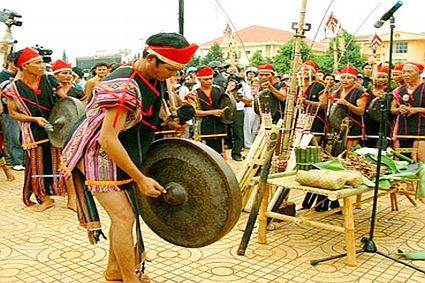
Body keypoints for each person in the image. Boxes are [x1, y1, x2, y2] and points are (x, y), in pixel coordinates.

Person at [61, 32, 197, 283]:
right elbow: (107, 139)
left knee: (126, 216)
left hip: (125, 147)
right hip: (95, 151)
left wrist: (170, 121)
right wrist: (141, 178)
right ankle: (128, 279)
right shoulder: (123, 86)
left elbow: (152, 111)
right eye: (169, 69)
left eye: (178, 71)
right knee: (124, 217)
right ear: (150, 58)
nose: (172, 75)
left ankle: (115, 271)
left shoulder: (155, 77)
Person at [3, 47, 69, 211]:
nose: (42, 65)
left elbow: (67, 102)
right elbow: (13, 113)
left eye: (42, 62)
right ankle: (44, 197)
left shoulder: (49, 80)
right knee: (38, 165)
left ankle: (71, 198)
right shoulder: (13, 88)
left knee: (61, 163)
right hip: (33, 131)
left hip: (56, 128)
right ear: (24, 66)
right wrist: (34, 119)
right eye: (37, 62)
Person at [391, 62, 425, 162]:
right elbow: (392, 110)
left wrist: (416, 110)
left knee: (420, 160)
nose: (405, 74)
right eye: (404, 72)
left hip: (421, 129)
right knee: (399, 160)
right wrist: (399, 109)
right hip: (402, 129)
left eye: (409, 72)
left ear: (419, 73)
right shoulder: (399, 90)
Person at [332, 66, 369, 150]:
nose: (345, 80)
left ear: (355, 80)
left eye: (349, 78)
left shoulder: (360, 93)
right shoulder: (336, 93)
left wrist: (347, 103)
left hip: (353, 126)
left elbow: (361, 111)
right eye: (343, 77)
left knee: (350, 153)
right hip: (338, 127)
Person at [0, 52, 26, 171]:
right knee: (13, 136)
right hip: (8, 111)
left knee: (24, 136)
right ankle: (16, 161)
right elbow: (6, 94)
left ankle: (25, 160)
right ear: (11, 62)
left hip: (24, 112)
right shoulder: (2, 76)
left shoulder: (26, 76)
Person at [192, 66, 226, 155]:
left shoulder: (220, 91)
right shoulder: (193, 94)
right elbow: (193, 112)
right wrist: (212, 112)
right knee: (204, 154)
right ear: (199, 80)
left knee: (219, 154)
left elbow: (227, 105)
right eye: (206, 79)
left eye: (211, 79)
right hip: (203, 126)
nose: (209, 81)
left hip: (219, 125)